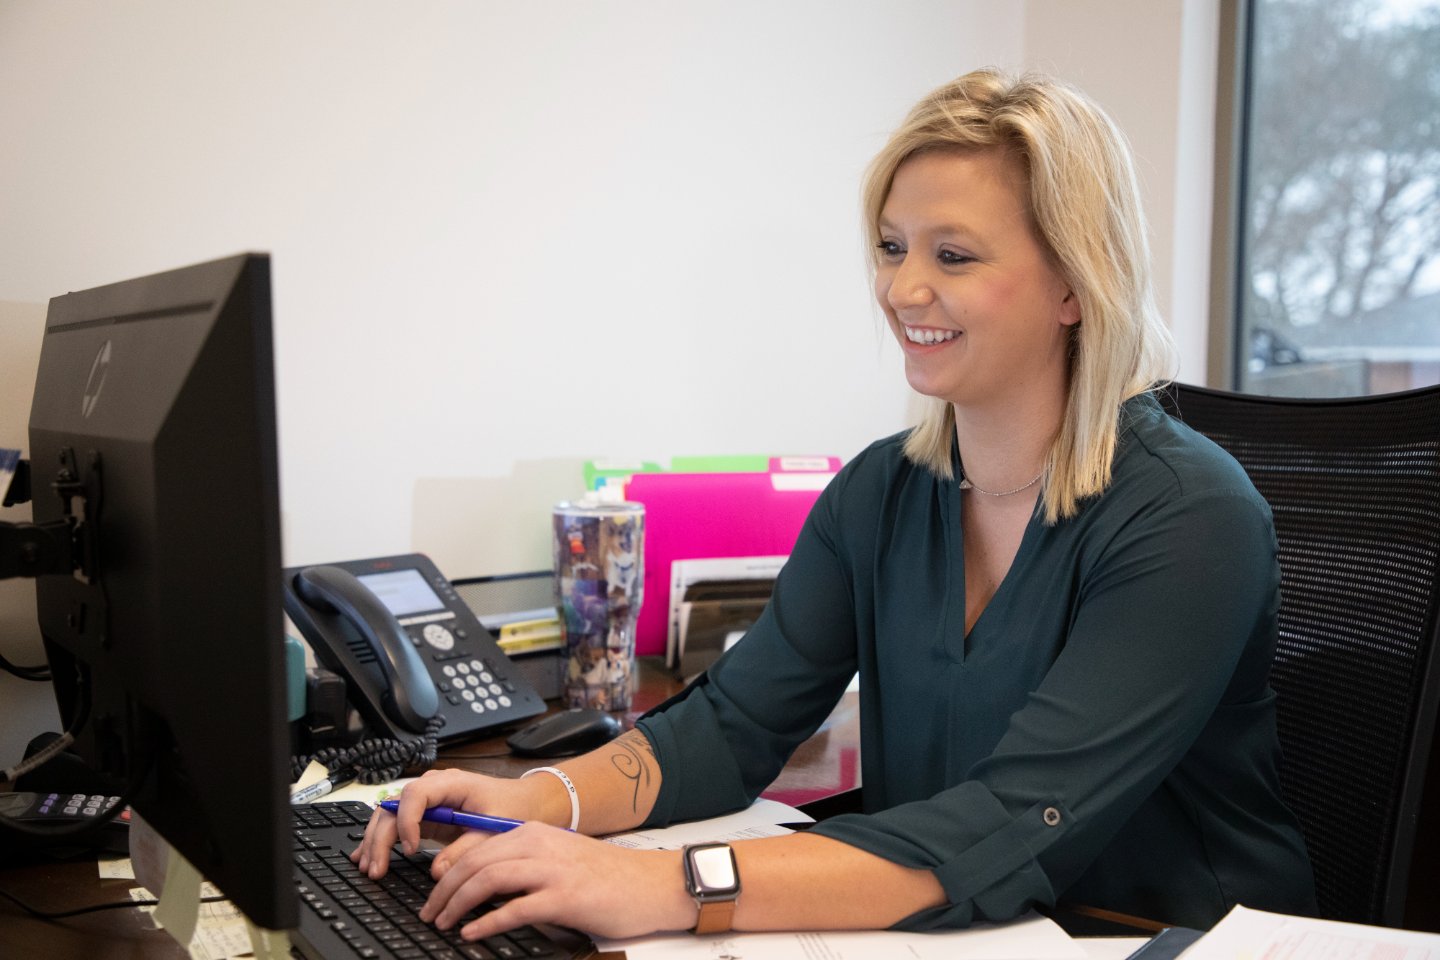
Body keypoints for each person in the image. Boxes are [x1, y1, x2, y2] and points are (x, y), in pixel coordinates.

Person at [353, 67, 1318, 941]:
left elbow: (1010, 822)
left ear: (1074, 284)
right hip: (967, 930)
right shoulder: (884, 490)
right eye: (894, 246)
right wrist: (538, 800)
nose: (903, 288)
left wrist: (665, 886)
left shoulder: (1189, 516)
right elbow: (731, 727)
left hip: (1156, 933)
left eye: (955, 255)